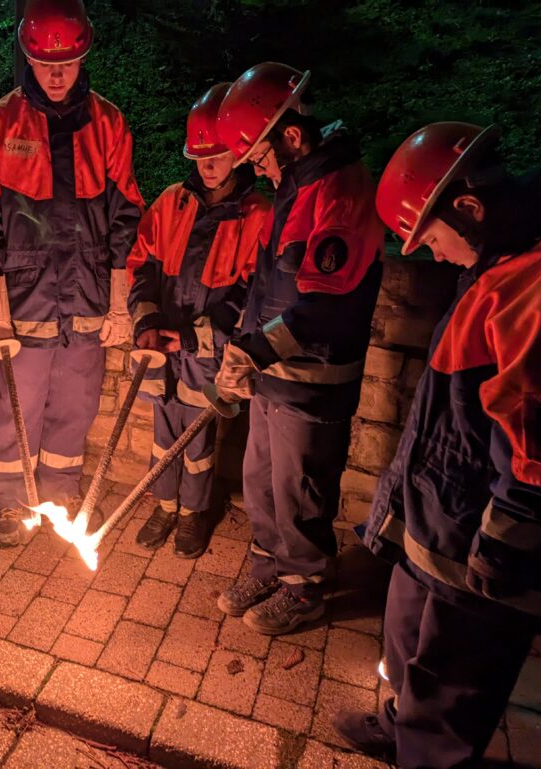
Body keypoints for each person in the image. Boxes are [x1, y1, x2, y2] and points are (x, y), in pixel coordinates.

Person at [333, 122, 541, 768]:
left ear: (466, 206)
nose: (432, 256)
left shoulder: (540, 280)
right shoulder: (495, 261)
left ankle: (426, 753)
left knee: (454, 678)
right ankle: (400, 723)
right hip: (441, 519)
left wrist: (505, 545)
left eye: (430, 238)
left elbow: (539, 437)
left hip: (481, 546)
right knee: (409, 642)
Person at [213, 62, 384, 634]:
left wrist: (256, 352)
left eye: (260, 155)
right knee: (260, 478)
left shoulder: (342, 192)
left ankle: (305, 585)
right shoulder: (295, 187)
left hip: (314, 378)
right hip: (273, 372)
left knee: (301, 488)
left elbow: (325, 308)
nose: (257, 169)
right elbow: (268, 283)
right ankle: (269, 561)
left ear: (291, 135)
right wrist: (245, 344)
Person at [0, 0, 143, 547]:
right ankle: (13, 504)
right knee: (16, 403)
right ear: (28, 59)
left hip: (87, 294)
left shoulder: (110, 123)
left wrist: (120, 304)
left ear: (85, 55)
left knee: (77, 402)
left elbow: (126, 216)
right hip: (26, 298)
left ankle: (59, 493)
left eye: (67, 62)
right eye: (45, 63)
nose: (58, 73)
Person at [127, 83, 269, 559]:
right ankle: (163, 506)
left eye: (219, 155)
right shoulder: (173, 202)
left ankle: (192, 515)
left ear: (240, 154)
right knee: (162, 432)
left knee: (199, 438)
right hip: (162, 351)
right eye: (199, 157)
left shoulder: (258, 215)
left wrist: (190, 336)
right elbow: (141, 263)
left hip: (207, 355)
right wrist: (145, 320)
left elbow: (253, 295)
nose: (207, 166)